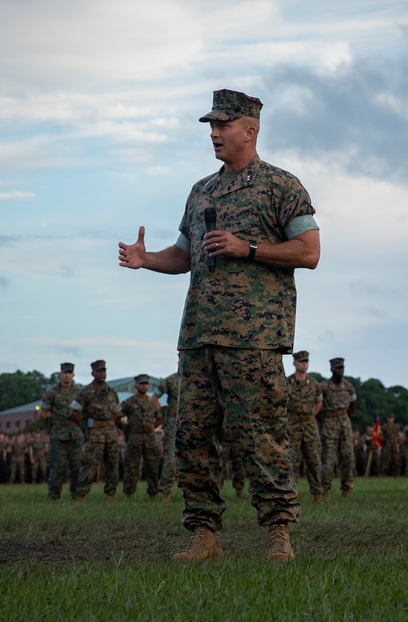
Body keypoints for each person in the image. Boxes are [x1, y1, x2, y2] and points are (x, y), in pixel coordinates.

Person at [118, 88, 320, 562]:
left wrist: (247, 248)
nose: (214, 133)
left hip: (254, 338)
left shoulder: (281, 187)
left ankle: (278, 535)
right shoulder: (201, 191)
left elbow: (309, 252)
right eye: (211, 125)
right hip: (198, 336)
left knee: (260, 436)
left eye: (223, 125)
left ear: (250, 130)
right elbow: (186, 255)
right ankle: (204, 537)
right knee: (192, 438)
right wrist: (147, 260)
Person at [72, 360, 123, 502]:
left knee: (112, 465)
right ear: (92, 373)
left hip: (111, 434)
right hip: (94, 434)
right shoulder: (86, 391)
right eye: (99, 371)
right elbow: (74, 412)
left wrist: (122, 428)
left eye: (104, 371)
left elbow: (117, 414)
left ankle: (110, 496)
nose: (102, 374)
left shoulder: (112, 392)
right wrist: (85, 427)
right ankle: (81, 495)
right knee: (89, 465)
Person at [42, 362, 86, 501]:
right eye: (64, 373)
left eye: (69, 373)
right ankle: (54, 495)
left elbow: (85, 411)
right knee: (58, 467)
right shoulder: (52, 392)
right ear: (60, 374)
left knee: (76, 466)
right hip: (58, 434)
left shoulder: (79, 391)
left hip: (75, 433)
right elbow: (43, 414)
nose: (67, 376)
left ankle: (76, 495)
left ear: (73, 375)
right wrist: (53, 423)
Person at [285, 350, 324, 500]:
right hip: (292, 425)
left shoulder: (314, 384)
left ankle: (317, 494)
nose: (304, 364)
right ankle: (290, 495)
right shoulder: (287, 382)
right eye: (301, 361)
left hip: (309, 425)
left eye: (306, 361)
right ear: (294, 363)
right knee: (292, 461)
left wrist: (311, 415)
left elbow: (319, 403)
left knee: (313, 460)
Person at [121, 374, 163, 500]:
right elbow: (117, 416)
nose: (144, 386)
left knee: (152, 467)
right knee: (132, 467)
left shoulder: (151, 403)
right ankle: (129, 494)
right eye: (141, 384)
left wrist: (152, 427)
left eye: (146, 383)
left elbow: (160, 417)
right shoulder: (129, 402)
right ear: (136, 386)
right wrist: (126, 429)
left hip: (150, 438)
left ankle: (153, 494)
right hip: (135, 437)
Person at [320, 358, 356, 497]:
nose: (340, 370)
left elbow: (353, 405)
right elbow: (318, 405)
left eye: (342, 368)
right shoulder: (324, 387)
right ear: (331, 369)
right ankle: (325, 490)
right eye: (337, 368)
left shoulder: (348, 386)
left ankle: (346, 489)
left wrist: (344, 415)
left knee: (348, 458)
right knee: (328, 461)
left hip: (345, 425)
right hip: (329, 425)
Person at [152, 368, 181, 501]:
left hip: (194, 424)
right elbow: (153, 398)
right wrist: (161, 415)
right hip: (173, 424)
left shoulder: (198, 378)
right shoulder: (170, 380)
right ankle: (165, 492)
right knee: (171, 459)